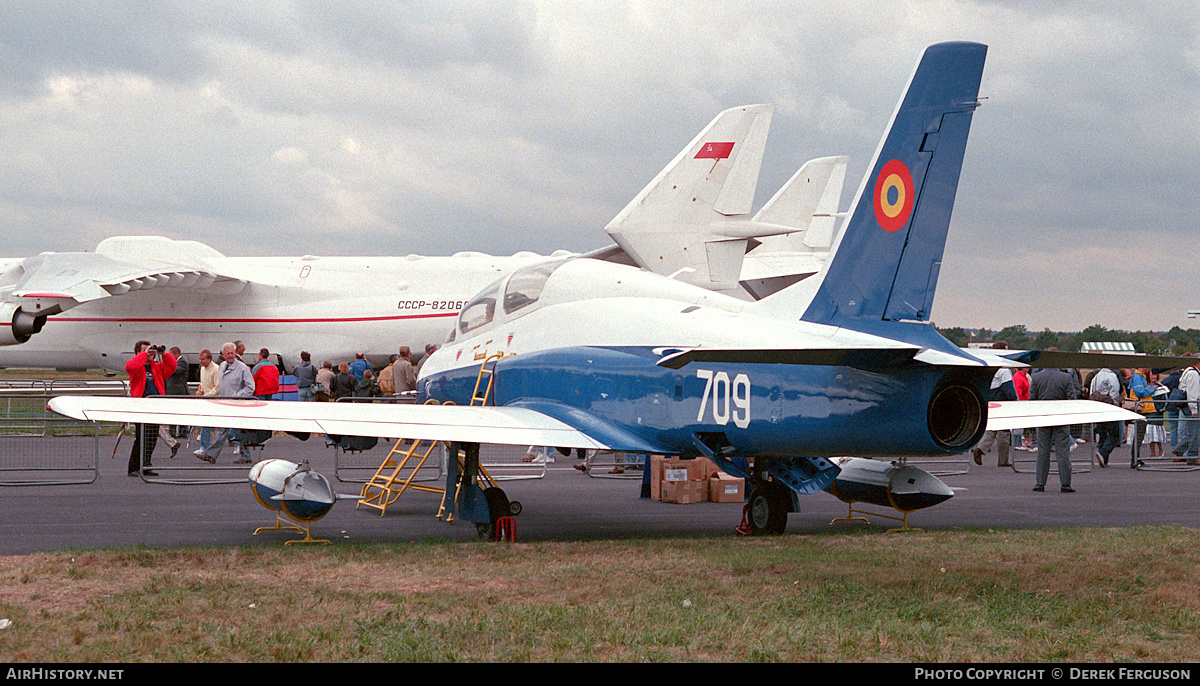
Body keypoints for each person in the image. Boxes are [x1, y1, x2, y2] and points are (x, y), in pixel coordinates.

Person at [194, 342, 255, 464]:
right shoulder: (221, 366)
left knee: (240, 431)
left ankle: (244, 456)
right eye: (228, 353)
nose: (231, 355)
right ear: (223, 354)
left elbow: (250, 387)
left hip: (238, 405)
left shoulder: (242, 368)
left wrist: (237, 397)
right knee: (222, 431)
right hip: (225, 404)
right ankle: (212, 455)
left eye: (232, 353)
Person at [125, 340, 177, 477]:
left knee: (152, 437)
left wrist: (164, 354)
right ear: (138, 353)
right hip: (141, 406)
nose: (150, 353)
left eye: (151, 351)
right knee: (141, 437)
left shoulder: (157, 368)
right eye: (146, 350)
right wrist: (144, 355)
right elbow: (130, 366)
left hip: (155, 406)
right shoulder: (137, 368)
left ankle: (146, 465)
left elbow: (172, 366)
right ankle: (134, 467)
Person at [1029, 357, 1081, 492]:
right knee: (1062, 452)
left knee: (1043, 451)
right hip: (1060, 417)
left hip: (1044, 417)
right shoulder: (1066, 377)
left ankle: (1040, 483)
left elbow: (1032, 399)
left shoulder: (1036, 377)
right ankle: (1065, 483)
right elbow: (1072, 399)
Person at [971, 342, 1016, 467]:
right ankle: (1003, 460)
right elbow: (1008, 389)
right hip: (1002, 402)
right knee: (1004, 432)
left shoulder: (988, 365)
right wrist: (1014, 401)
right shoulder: (1004, 369)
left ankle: (980, 449)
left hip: (990, 400)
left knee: (991, 430)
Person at [1089, 366, 1121, 468]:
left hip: (1099, 406)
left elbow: (1091, 391)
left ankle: (1102, 456)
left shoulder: (1096, 376)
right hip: (1109, 406)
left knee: (1102, 431)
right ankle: (1103, 453)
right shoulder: (1111, 376)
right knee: (1114, 433)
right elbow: (1114, 392)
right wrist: (1115, 403)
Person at [1173, 356, 1200, 465]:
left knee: (1193, 431)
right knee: (1194, 432)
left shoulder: (1188, 371)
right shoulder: (1193, 374)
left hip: (1188, 405)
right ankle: (1192, 456)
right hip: (1193, 405)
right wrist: (1194, 409)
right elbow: (1192, 393)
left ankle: (1180, 448)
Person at [195, 348, 219, 449]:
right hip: (206, 400)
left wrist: (205, 396)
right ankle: (204, 447)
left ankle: (235, 441)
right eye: (200, 359)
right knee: (205, 422)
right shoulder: (202, 368)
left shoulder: (216, 369)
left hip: (216, 401)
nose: (201, 361)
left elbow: (217, 388)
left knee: (218, 425)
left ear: (209, 359)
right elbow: (203, 383)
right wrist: (199, 390)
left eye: (203, 359)